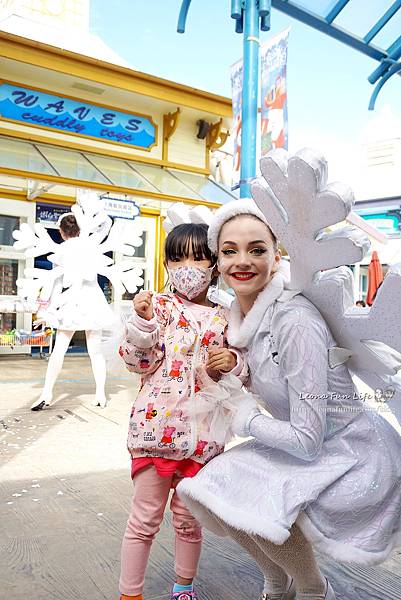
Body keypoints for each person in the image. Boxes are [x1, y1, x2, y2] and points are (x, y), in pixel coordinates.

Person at [177, 199, 401, 600]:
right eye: (229, 251)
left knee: (253, 497)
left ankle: (315, 591)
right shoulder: (241, 321)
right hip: (310, 442)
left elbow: (307, 438)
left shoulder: (294, 320)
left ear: (276, 256)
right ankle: (278, 582)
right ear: (218, 260)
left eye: (257, 249)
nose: (241, 261)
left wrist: (245, 419)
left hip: (352, 451)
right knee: (211, 488)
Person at [118, 221, 247, 600]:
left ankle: (183, 589)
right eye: (176, 258)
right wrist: (142, 325)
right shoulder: (157, 307)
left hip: (203, 440)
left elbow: (245, 371)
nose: (186, 267)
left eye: (196, 256)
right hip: (154, 434)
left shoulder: (228, 317)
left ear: (213, 263)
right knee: (143, 521)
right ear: (167, 265)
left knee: (190, 522)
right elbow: (137, 363)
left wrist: (233, 362)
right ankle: (130, 594)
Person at [31, 213, 112, 410]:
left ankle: (46, 393)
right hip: (93, 302)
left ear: (61, 232)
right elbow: (106, 225)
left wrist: (44, 310)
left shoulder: (62, 250)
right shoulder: (90, 246)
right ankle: (100, 394)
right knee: (96, 352)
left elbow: (54, 281)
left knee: (59, 350)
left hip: (72, 303)